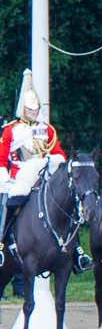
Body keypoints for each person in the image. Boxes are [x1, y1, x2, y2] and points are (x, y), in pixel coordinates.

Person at [0, 68, 66, 255]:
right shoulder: (11, 130)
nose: (34, 112)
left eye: (36, 109)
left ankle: (74, 248)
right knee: (12, 196)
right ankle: (2, 240)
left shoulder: (47, 130)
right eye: (30, 109)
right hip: (19, 175)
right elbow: (1, 158)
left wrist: (50, 160)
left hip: (44, 172)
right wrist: (4, 178)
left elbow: (59, 154)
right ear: (23, 109)